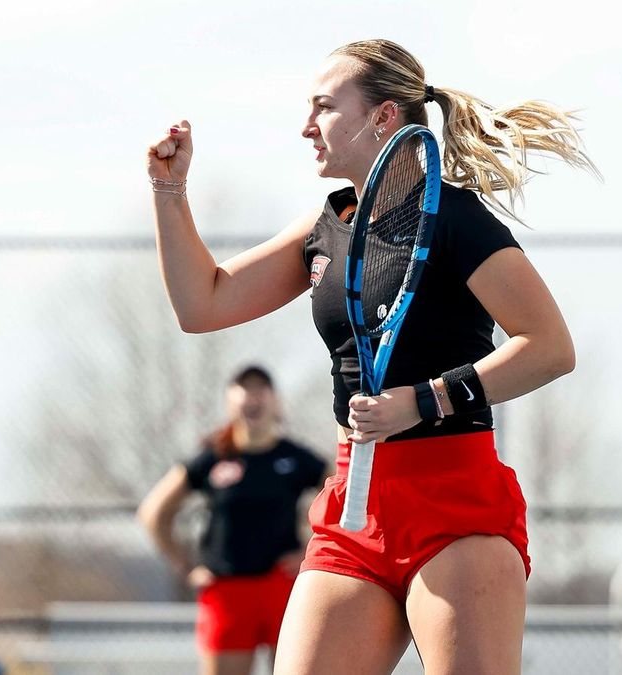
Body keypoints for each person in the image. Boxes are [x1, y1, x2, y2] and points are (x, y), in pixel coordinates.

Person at [146, 39, 595, 675]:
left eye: (324, 107)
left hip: (456, 510)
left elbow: (550, 346)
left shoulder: (454, 218)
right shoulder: (326, 227)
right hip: (353, 511)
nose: (307, 127)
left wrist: (425, 400)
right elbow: (203, 305)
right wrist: (169, 190)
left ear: (383, 117)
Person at [137, 365, 327, 675]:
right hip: (226, 591)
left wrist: (311, 548)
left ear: (275, 402)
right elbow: (153, 513)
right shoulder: (214, 457)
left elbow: (346, 497)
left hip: (281, 585)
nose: (253, 397)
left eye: (261, 389)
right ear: (230, 401)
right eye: (244, 389)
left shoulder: (295, 458)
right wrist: (186, 566)